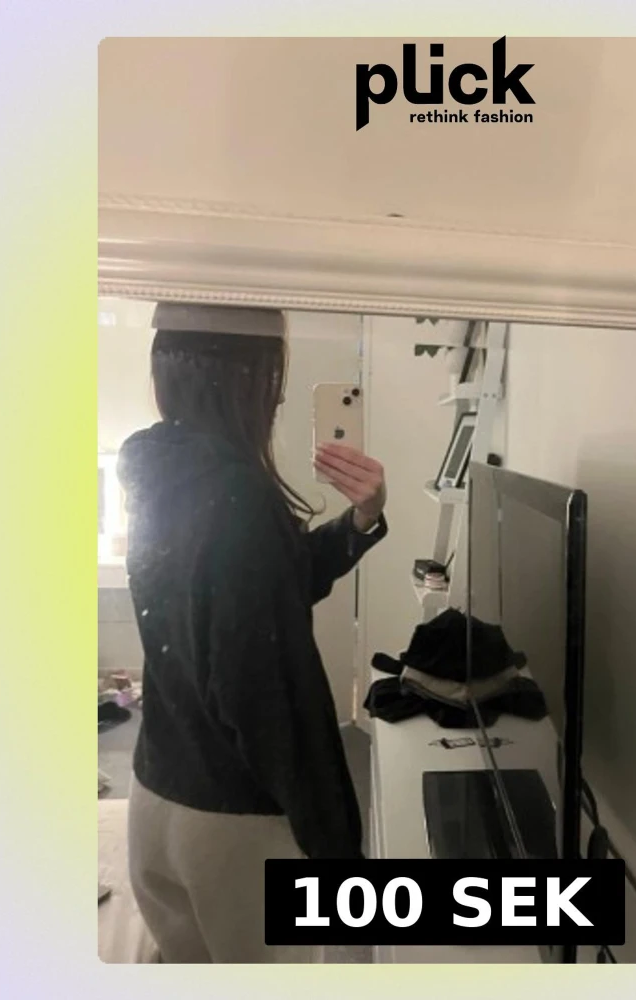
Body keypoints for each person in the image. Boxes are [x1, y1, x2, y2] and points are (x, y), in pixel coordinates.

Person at [117, 303, 387, 963]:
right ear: (248, 379)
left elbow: (258, 593)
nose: (278, 396)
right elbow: (270, 700)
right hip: (229, 825)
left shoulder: (159, 468)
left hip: (155, 796)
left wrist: (360, 523)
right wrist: (337, 852)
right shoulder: (238, 496)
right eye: (273, 376)